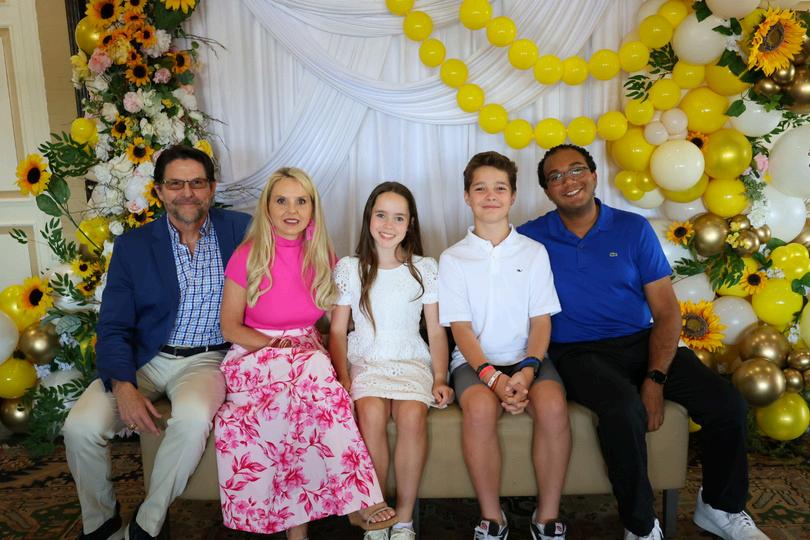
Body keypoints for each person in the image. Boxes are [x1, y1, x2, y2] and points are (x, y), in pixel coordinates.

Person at [518, 144, 767, 540]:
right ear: (547, 191)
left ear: (594, 176)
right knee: (622, 409)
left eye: (577, 170)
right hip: (578, 351)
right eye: (556, 176)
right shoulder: (530, 237)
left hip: (640, 341)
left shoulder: (632, 228)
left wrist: (655, 378)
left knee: (727, 403)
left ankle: (719, 506)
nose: (569, 181)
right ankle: (641, 525)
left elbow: (666, 311)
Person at [62, 145, 251, 540]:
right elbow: (113, 325)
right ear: (160, 191)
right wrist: (123, 385)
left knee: (193, 420)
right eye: (176, 184)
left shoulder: (241, 231)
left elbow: (291, 260)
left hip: (207, 360)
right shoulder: (133, 246)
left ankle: (146, 526)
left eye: (197, 183)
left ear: (212, 187)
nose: (188, 193)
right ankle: (101, 523)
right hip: (145, 359)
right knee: (80, 427)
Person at [215, 167, 397, 539]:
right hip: (255, 352)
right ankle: (357, 499)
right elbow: (229, 327)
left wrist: (347, 363)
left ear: (313, 208)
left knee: (313, 394)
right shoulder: (247, 255)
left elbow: (334, 321)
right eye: (281, 200)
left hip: (304, 350)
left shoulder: (321, 254)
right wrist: (272, 346)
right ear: (267, 207)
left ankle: (316, 523)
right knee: (304, 384)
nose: (291, 210)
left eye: (301, 201)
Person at [438, 151, 571, 540]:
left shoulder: (533, 252)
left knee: (553, 405)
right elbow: (460, 328)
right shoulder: (453, 258)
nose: (490, 196)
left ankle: (547, 517)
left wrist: (527, 371)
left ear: (513, 196)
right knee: (480, 409)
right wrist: (492, 379)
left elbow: (541, 321)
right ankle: (492, 517)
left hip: (528, 358)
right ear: (467, 197)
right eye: (480, 188)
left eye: (500, 188)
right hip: (475, 363)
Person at [329, 182, 454, 540]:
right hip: (366, 359)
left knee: (412, 416)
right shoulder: (351, 268)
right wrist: (343, 375)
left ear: (410, 223)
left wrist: (440, 377)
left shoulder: (423, 268)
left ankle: (403, 520)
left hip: (410, 358)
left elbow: (436, 331)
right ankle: (375, 510)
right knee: (370, 413)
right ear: (368, 217)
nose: (388, 224)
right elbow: (337, 331)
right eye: (381, 215)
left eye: (399, 217)